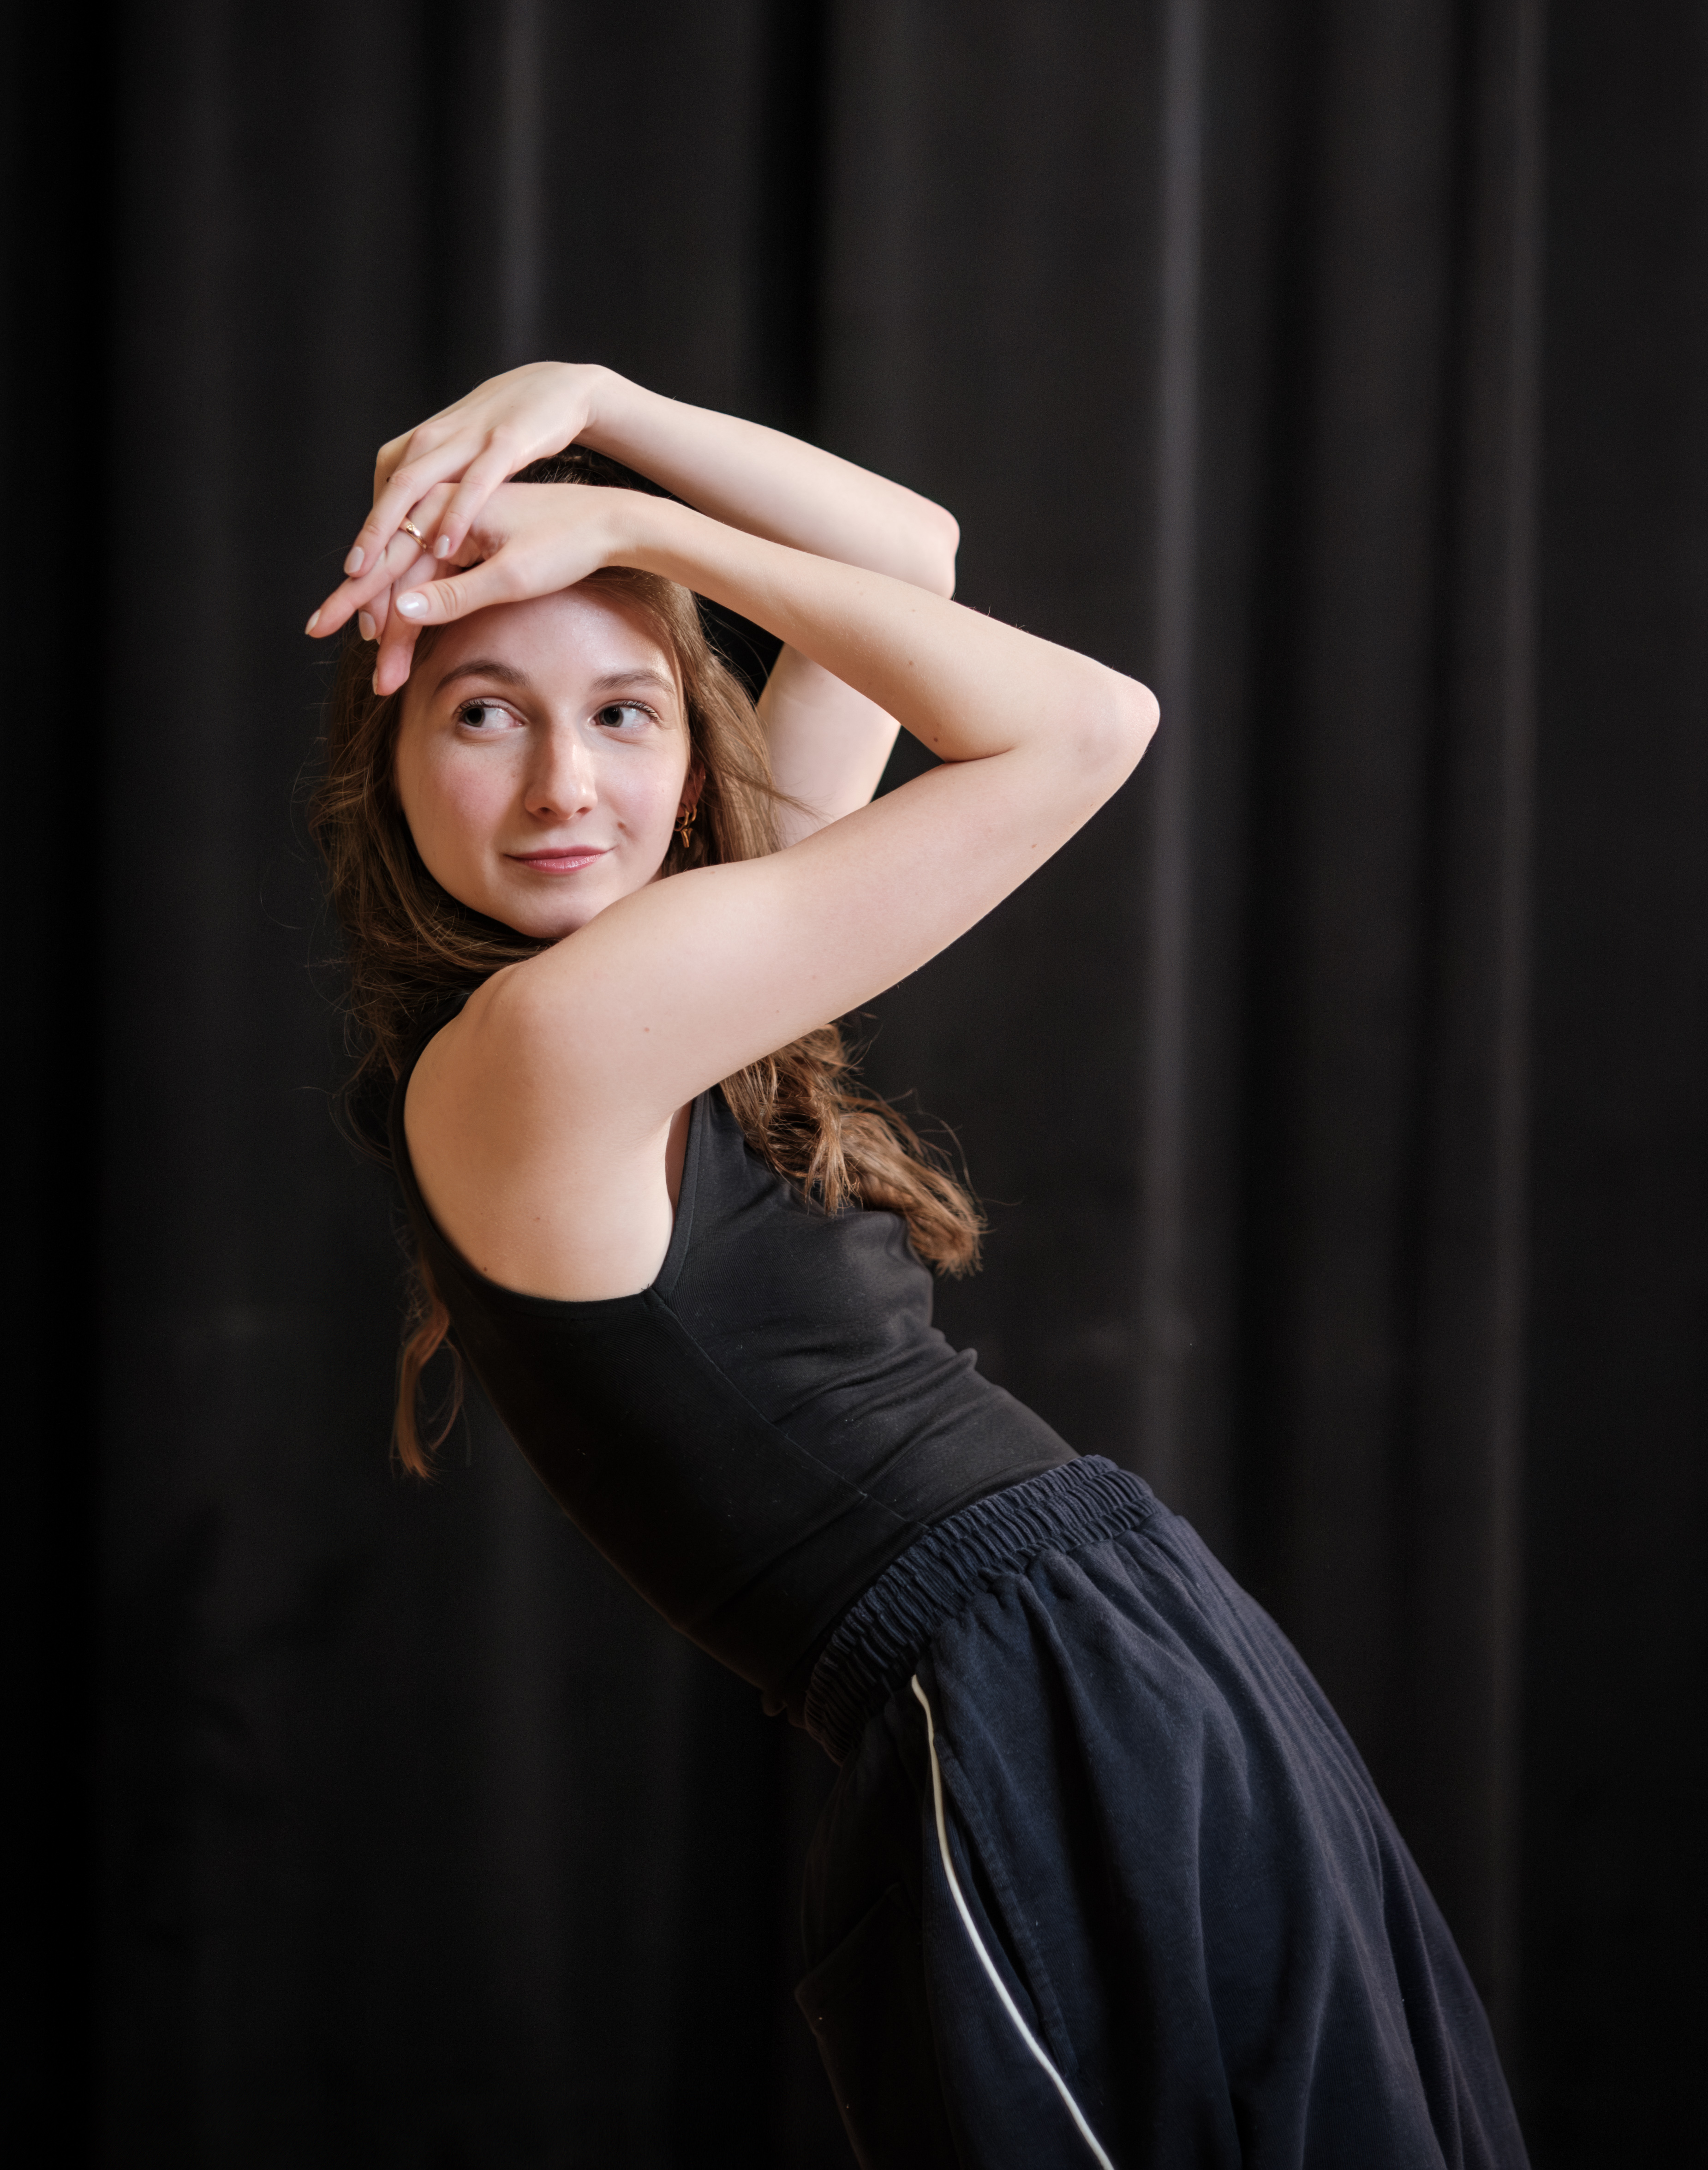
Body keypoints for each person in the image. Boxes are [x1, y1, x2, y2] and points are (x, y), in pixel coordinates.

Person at [305, 363, 1528, 2170]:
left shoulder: (658, 978)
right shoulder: (549, 1044)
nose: (568, 784)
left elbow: (905, 551)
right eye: (485, 714)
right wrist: (632, 531)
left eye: (627, 712)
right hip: (1029, 1687)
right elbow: (1085, 724)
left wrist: (596, 406)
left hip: (1101, 1659)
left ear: (690, 759)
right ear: (388, 769)